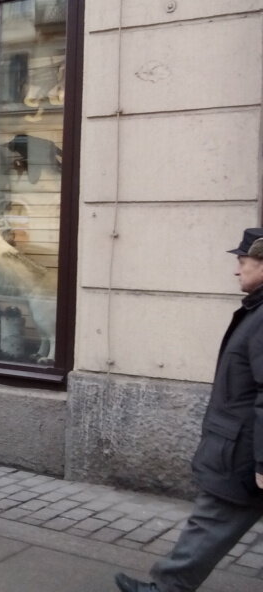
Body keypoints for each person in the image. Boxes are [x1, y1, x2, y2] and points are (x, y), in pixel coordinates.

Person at [115, 228, 263, 592]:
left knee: (211, 521)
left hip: (243, 452)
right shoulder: (256, 311)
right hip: (240, 445)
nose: (236, 269)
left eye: (242, 260)